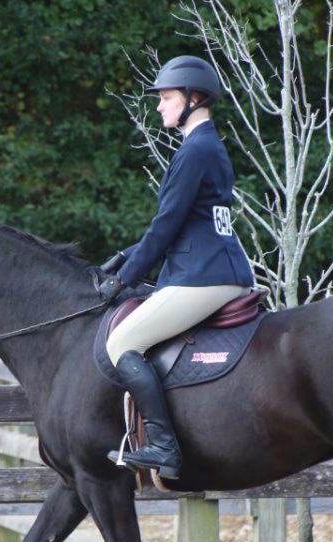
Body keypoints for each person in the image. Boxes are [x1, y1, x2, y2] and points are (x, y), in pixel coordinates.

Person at [98, 55, 255, 481]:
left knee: (122, 345)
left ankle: (164, 447)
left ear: (193, 99)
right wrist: (125, 256)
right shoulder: (208, 146)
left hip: (204, 277)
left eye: (166, 98)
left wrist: (126, 278)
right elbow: (187, 224)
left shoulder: (195, 151)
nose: (159, 106)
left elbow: (166, 225)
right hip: (216, 266)